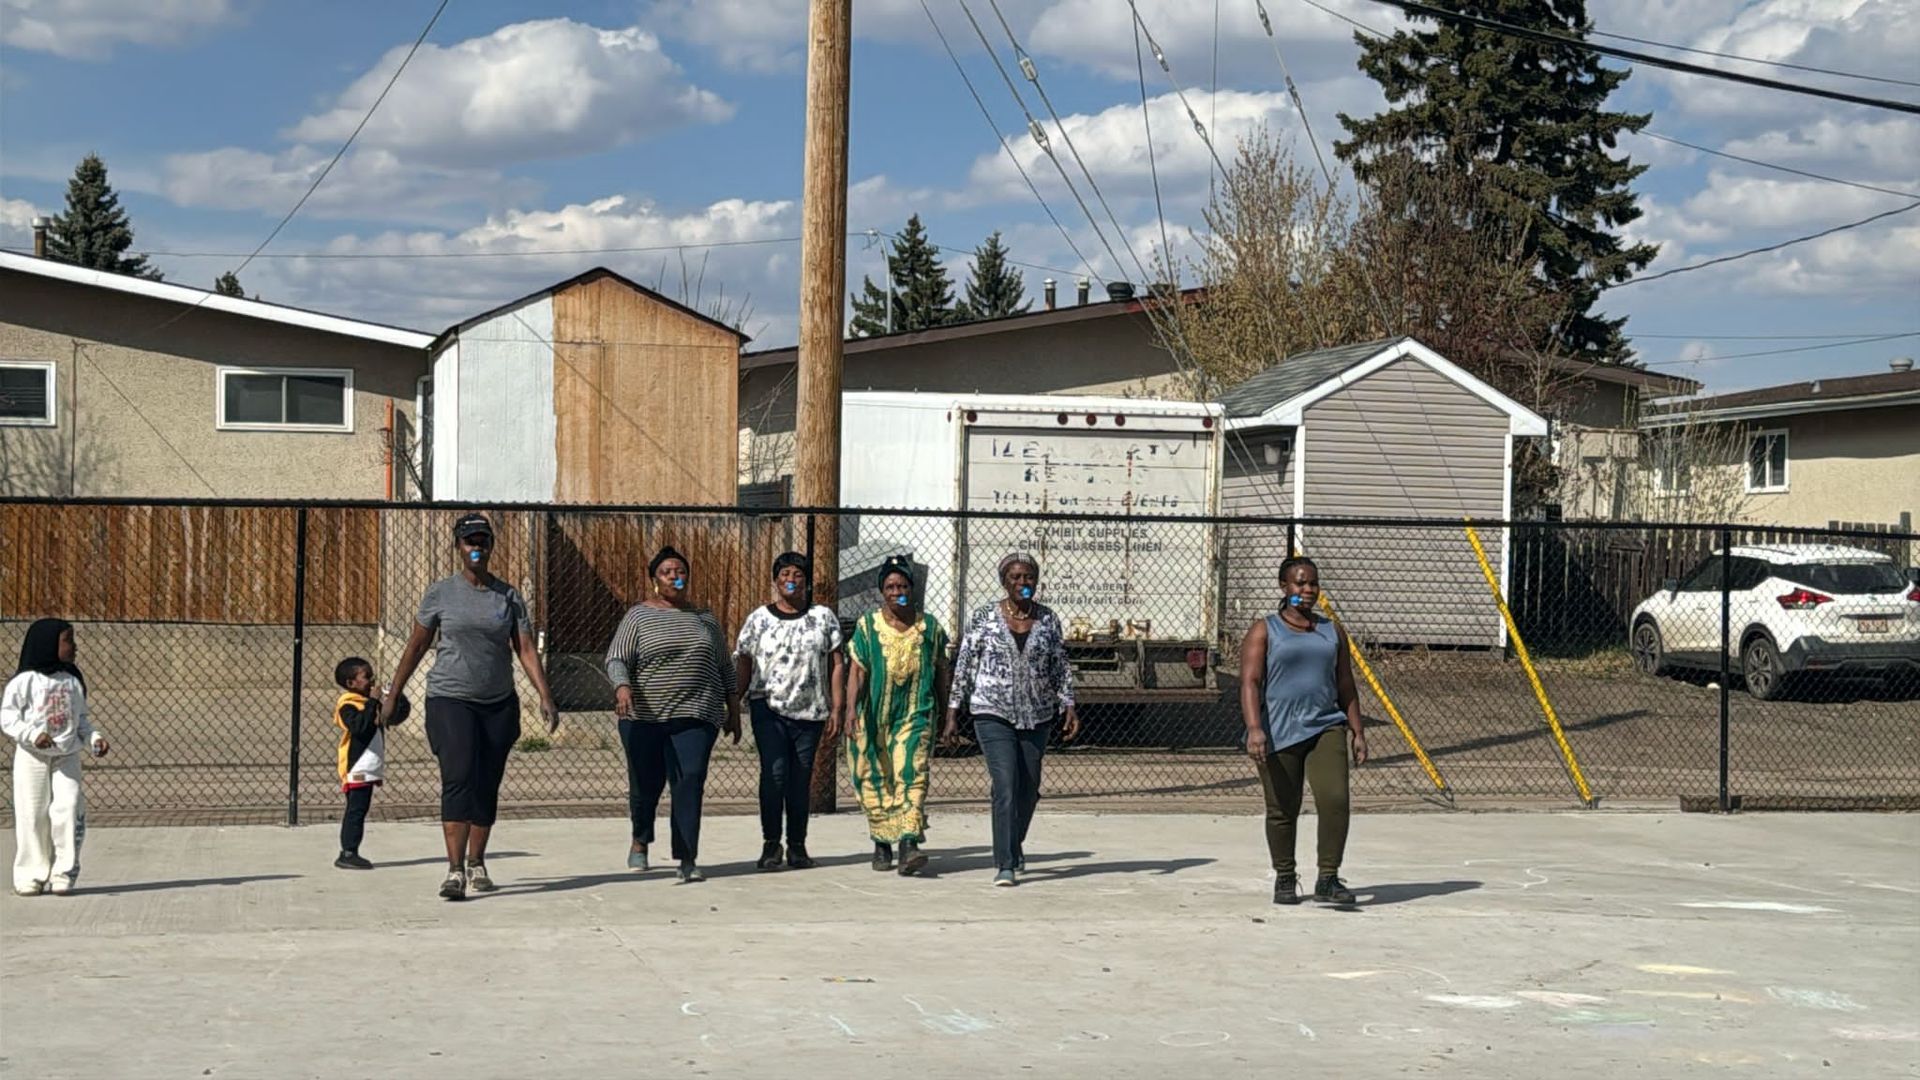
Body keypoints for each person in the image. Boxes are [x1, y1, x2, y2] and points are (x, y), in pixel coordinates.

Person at [383, 513, 559, 902]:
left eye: (482, 541)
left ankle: (477, 861)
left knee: (486, 782)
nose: (476, 547)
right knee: (458, 775)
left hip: (497, 702)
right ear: (458, 547)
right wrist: (394, 691)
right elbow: (417, 644)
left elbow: (525, 648)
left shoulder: (508, 596)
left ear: (491, 546)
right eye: (469, 541)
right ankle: (454, 870)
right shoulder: (441, 593)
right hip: (450, 699)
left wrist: (545, 694)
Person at [605, 545, 741, 883]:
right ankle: (640, 838)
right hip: (644, 718)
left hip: (697, 714)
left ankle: (687, 857)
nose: (674, 577)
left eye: (680, 572)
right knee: (645, 784)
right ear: (655, 579)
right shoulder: (638, 616)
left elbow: (724, 666)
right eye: (667, 572)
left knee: (689, 779)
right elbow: (617, 657)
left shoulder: (705, 619)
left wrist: (734, 708)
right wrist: (622, 687)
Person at [1238, 555, 1368, 906]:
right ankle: (1285, 875)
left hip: (1326, 725)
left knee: (1335, 800)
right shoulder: (1265, 629)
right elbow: (1250, 682)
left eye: (1313, 583)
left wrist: (1357, 731)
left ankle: (1328, 878)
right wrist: (1254, 729)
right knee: (1282, 807)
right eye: (1300, 583)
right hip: (1279, 731)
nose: (1308, 590)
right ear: (1284, 586)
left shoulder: (1331, 631)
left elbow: (1345, 683)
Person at [944, 552, 1080, 887]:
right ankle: (1005, 863)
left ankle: (1013, 843)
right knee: (1005, 785)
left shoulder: (1048, 619)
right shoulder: (984, 618)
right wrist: (952, 712)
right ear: (1004, 581)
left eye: (1028, 577)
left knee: (1028, 790)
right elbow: (965, 665)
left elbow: (1060, 664)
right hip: (992, 712)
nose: (1022, 583)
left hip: (1037, 714)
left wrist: (1069, 703)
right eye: (1015, 577)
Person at [734, 552, 844, 871]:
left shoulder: (823, 617)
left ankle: (797, 845)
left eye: (797, 574)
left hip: (810, 712)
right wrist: (733, 703)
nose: (791, 580)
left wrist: (838, 707)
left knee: (800, 779)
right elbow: (744, 661)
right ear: (775, 580)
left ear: (806, 581)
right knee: (775, 774)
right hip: (768, 708)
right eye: (785, 574)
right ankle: (771, 844)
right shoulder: (759, 619)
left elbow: (837, 662)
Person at [844, 555, 950, 876]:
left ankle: (908, 843)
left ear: (911, 588)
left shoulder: (929, 627)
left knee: (911, 772)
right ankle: (881, 842)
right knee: (875, 777)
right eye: (890, 586)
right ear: (882, 591)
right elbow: (857, 672)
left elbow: (941, 672)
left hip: (916, 713)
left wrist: (947, 713)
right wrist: (850, 710)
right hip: (873, 717)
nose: (896, 592)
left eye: (902, 586)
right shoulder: (867, 627)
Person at [3, 619, 109, 896]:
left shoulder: (72, 680)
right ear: (48, 644)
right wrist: (31, 734)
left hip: (67, 755)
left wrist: (93, 738)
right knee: (32, 813)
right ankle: (31, 875)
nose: (75, 646)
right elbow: (8, 717)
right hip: (32, 757)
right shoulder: (24, 681)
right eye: (68, 640)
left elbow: (80, 718)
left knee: (68, 807)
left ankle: (64, 871)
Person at [330, 656, 411, 870]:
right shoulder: (347, 705)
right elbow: (360, 727)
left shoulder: (369, 704)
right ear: (351, 683)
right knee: (355, 810)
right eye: (366, 677)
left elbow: (394, 716)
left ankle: (351, 851)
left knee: (361, 808)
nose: (372, 680)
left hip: (369, 766)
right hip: (357, 767)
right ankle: (348, 852)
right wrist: (373, 702)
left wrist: (395, 697)